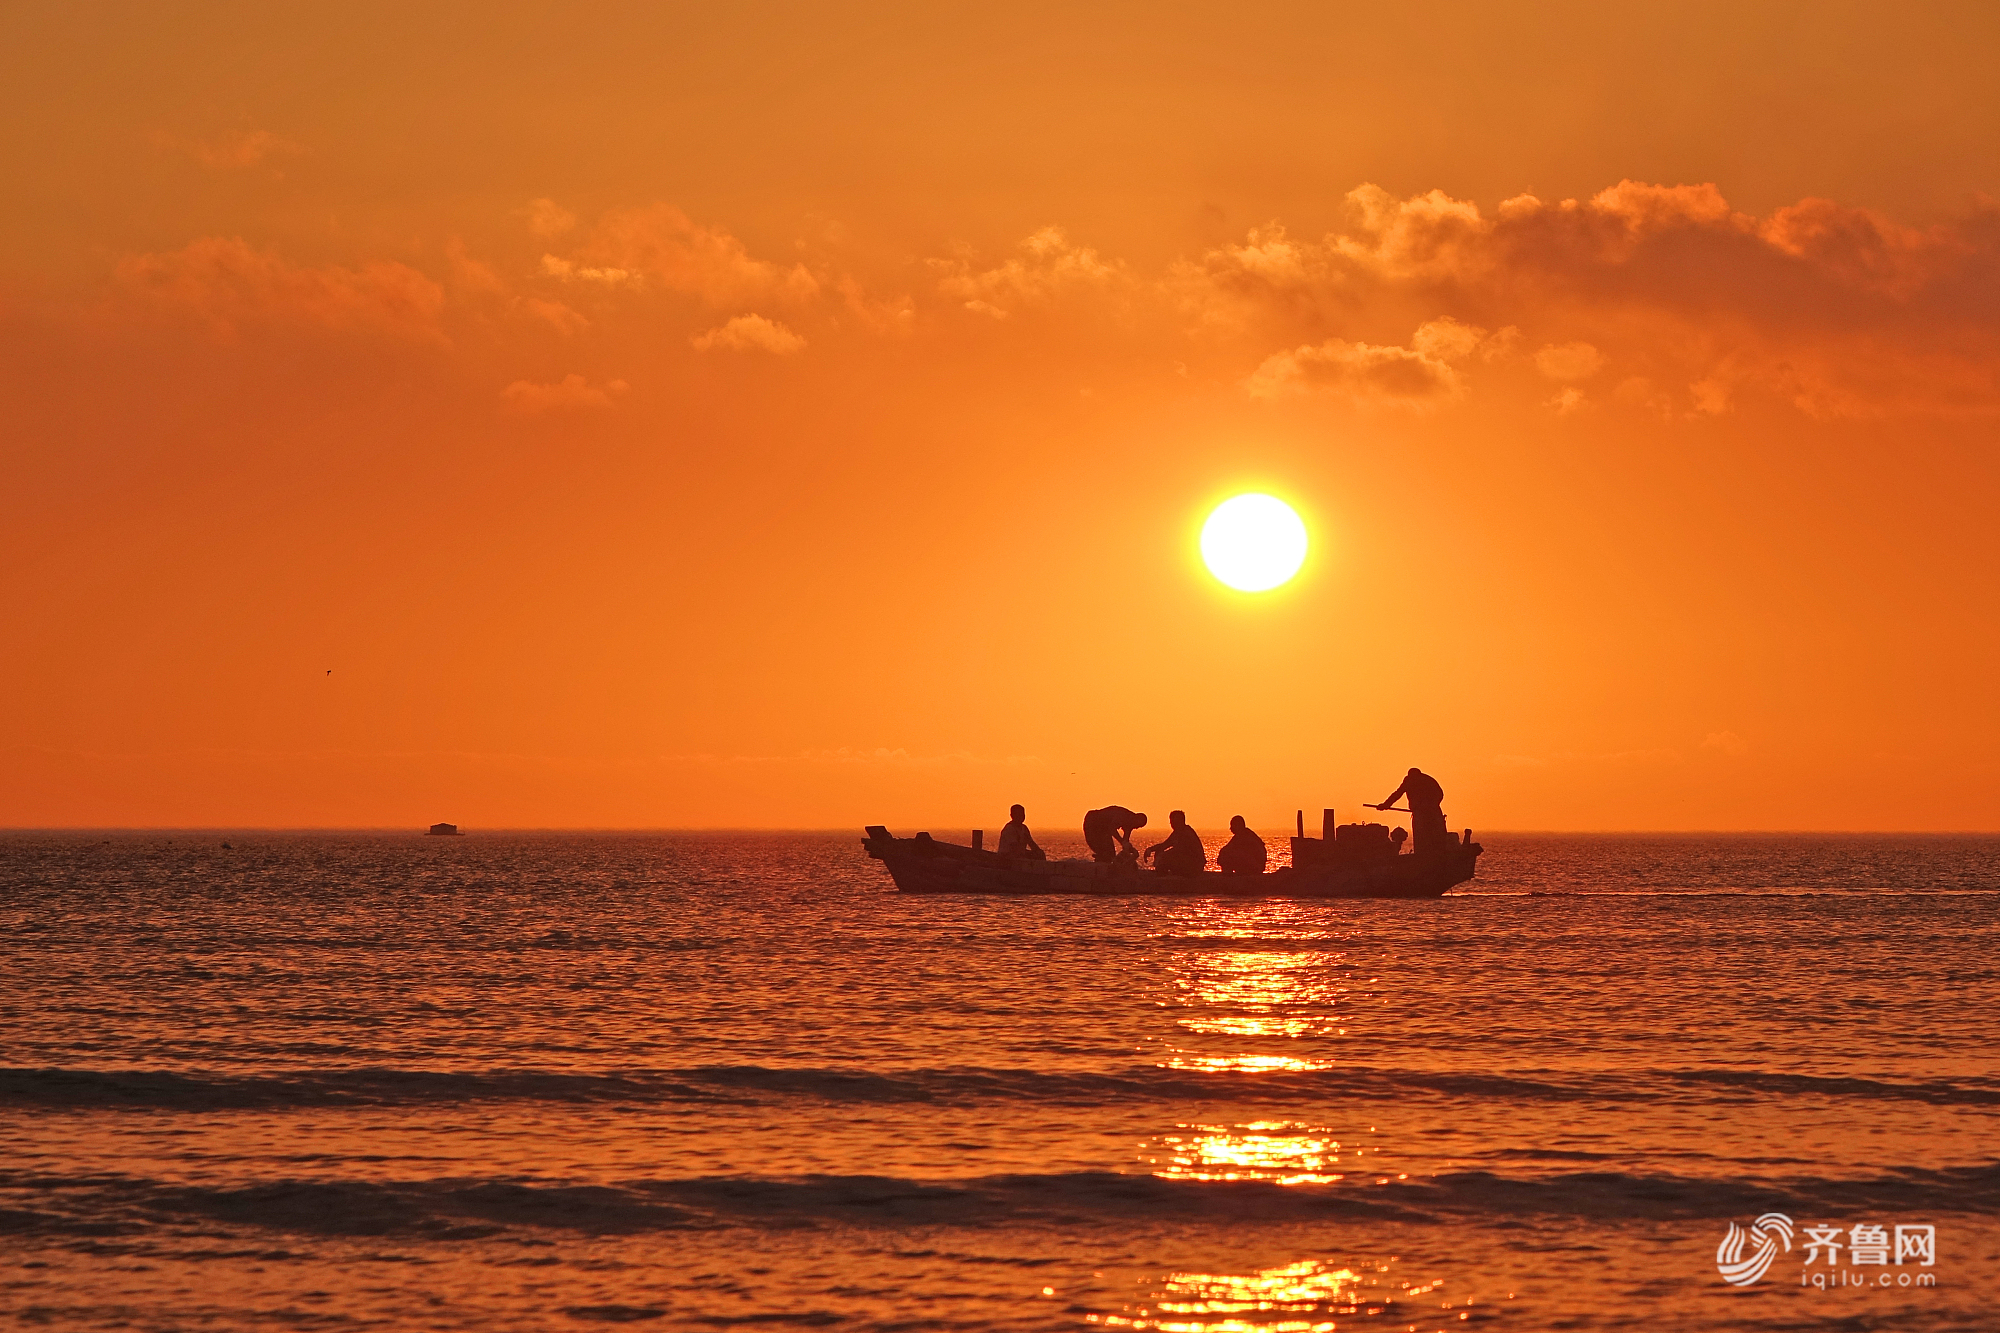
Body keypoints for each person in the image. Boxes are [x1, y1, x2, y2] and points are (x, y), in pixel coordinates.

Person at [1373, 767, 1447, 854]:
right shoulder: (1428, 779)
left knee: (1422, 837)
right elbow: (1440, 794)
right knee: (1435, 837)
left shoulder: (1410, 780)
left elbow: (1397, 794)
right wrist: (1385, 805)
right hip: (1433, 812)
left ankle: (1423, 855)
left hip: (1424, 813)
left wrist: (1385, 805)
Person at [1144, 810, 1207, 875]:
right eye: (1171, 822)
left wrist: (1162, 856)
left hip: (1194, 866)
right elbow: (1165, 845)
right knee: (1160, 852)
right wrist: (1150, 849)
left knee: (1164, 857)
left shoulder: (1186, 832)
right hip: (1187, 863)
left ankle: (1162, 875)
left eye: (1174, 821)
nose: (1172, 824)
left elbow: (1179, 850)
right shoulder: (1177, 832)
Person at [1082, 806, 1147, 863]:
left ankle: (1102, 863)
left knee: (1110, 854)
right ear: (1136, 819)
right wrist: (1122, 842)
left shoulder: (1130, 825)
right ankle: (1099, 863)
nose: (1137, 828)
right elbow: (1111, 829)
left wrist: (1130, 849)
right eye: (1138, 825)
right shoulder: (1124, 816)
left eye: (1140, 827)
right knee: (1104, 852)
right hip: (1092, 821)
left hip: (1104, 829)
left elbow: (1125, 842)